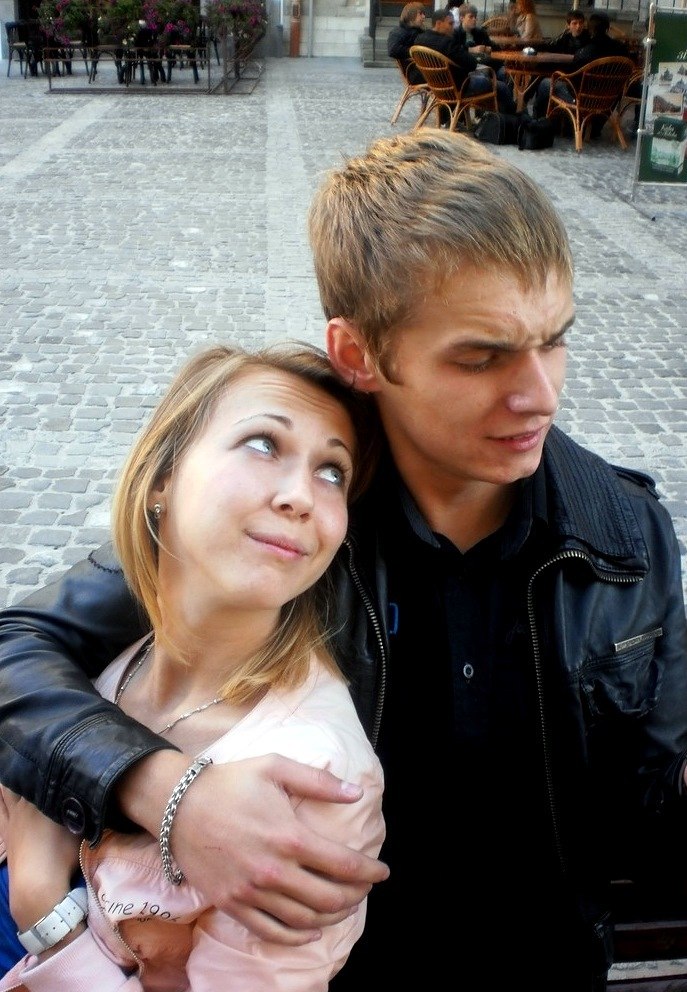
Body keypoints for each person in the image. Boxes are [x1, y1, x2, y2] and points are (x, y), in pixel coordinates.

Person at [2, 130, 687, 992]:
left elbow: (650, 818)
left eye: (553, 340)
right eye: (480, 356)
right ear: (358, 355)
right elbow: (17, 647)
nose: (538, 395)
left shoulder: (623, 535)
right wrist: (165, 791)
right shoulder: (290, 525)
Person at [0, 342, 385, 990]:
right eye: (262, 444)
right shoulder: (110, 654)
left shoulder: (314, 775)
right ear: (162, 481)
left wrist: (43, 911)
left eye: (331, 472)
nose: (300, 495)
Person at [414, 7, 516, 115]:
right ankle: (513, 118)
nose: (453, 27)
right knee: (501, 87)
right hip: (458, 87)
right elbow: (471, 64)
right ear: (438, 23)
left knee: (492, 78)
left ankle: (491, 116)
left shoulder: (419, 40)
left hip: (435, 87)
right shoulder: (447, 43)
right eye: (450, 24)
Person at [532, 11, 631, 122]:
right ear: (608, 29)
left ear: (590, 30)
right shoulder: (622, 50)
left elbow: (574, 79)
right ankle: (594, 127)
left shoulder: (585, 52)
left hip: (582, 100)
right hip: (609, 101)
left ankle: (538, 122)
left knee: (545, 83)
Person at [386, 1, 427, 84]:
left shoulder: (420, 32)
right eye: (420, 14)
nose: (424, 17)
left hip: (425, 70)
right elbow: (393, 50)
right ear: (411, 15)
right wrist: (416, 51)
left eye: (424, 14)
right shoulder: (398, 32)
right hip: (415, 73)